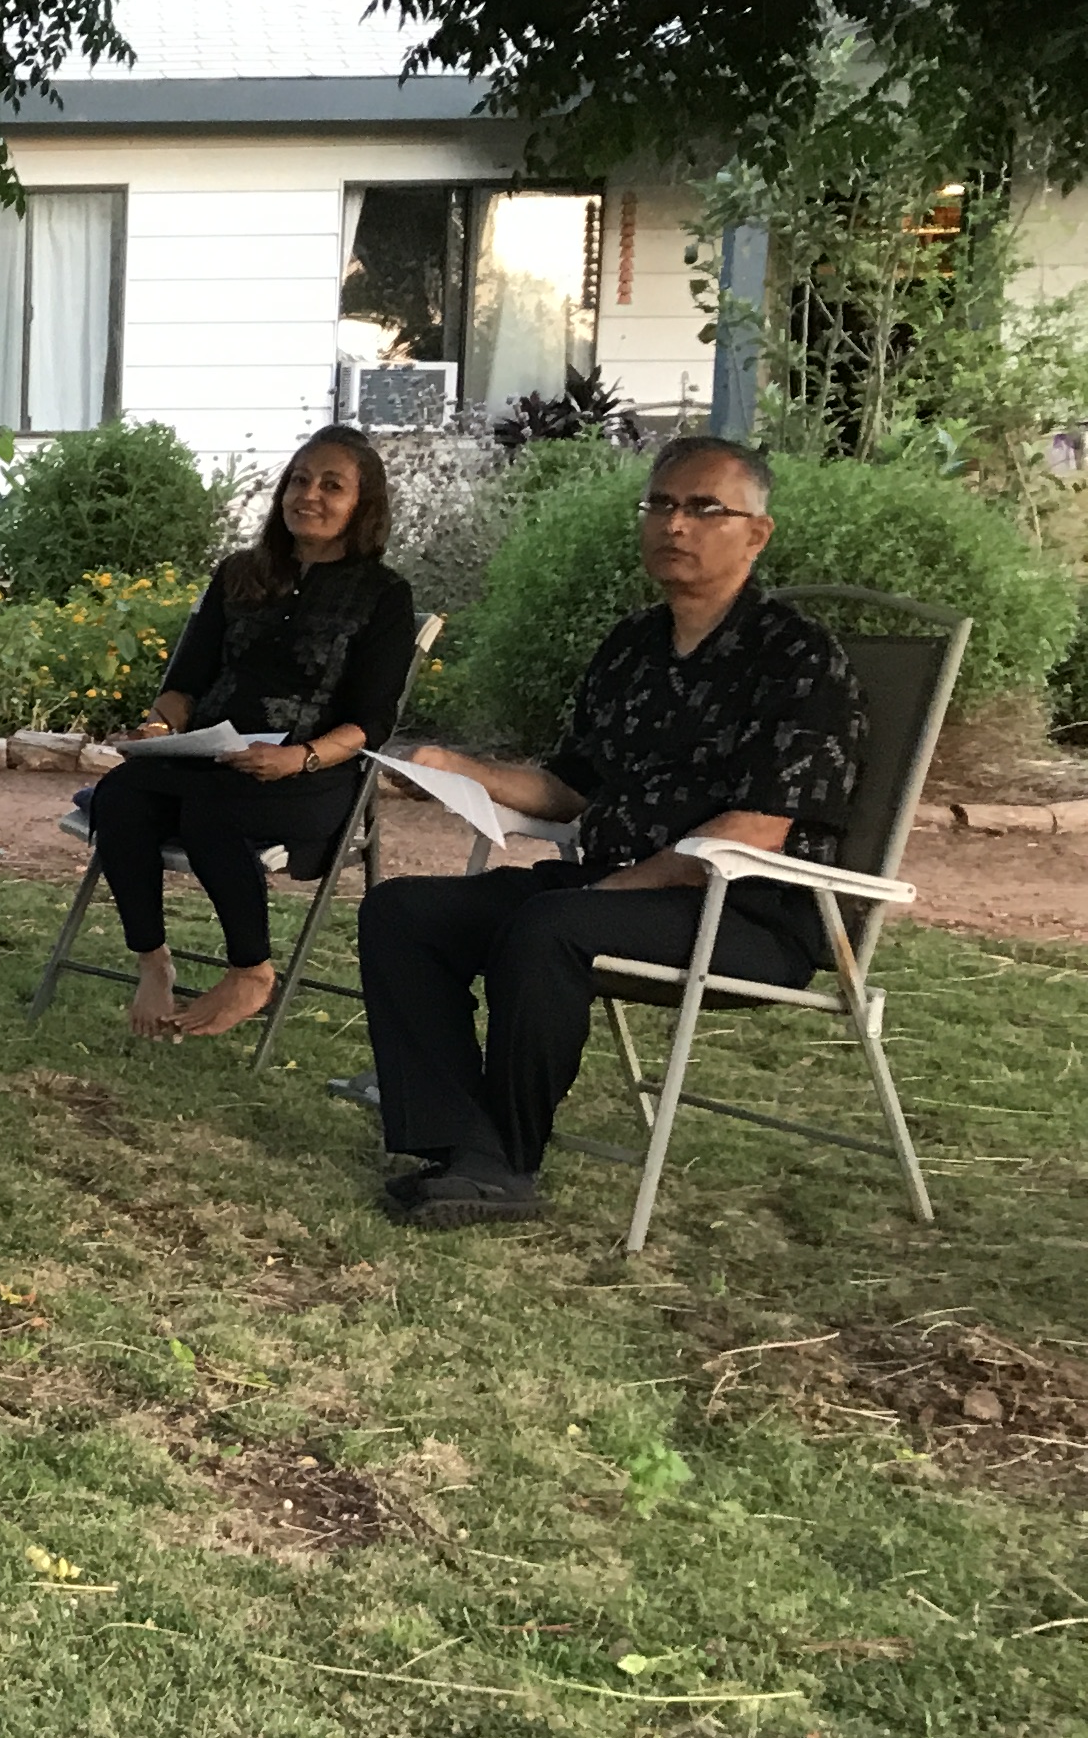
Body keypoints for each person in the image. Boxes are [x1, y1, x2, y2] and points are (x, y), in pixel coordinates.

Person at [357, 434, 866, 1228]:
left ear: (756, 534)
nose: (676, 524)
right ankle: (459, 1144)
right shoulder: (633, 647)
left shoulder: (797, 658)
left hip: (747, 912)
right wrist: (455, 767)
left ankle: (506, 1165)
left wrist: (610, 890)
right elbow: (570, 789)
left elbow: (755, 829)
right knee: (405, 913)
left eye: (704, 508)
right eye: (660, 504)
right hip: (611, 889)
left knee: (551, 926)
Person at [92, 423, 422, 1039]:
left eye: (332, 485)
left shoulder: (383, 594)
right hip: (211, 758)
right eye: (299, 480)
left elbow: (372, 720)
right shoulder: (240, 574)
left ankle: (251, 972)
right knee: (119, 797)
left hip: (311, 773)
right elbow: (185, 684)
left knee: (211, 811)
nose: (309, 495)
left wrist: (300, 757)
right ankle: (153, 962)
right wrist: (159, 726)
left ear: (363, 504)